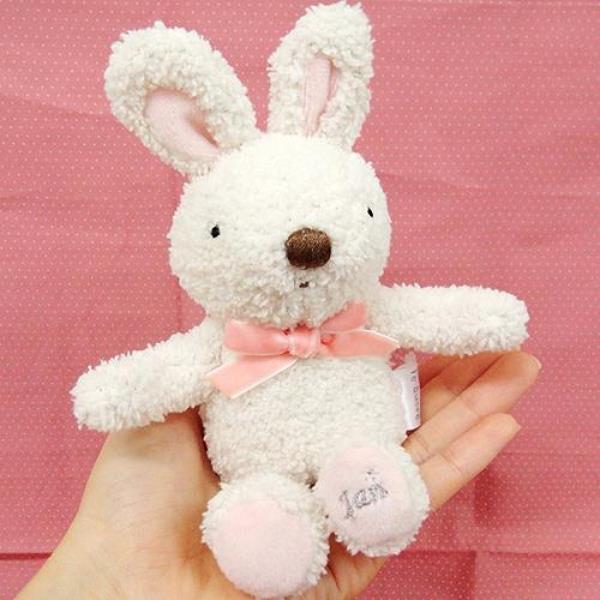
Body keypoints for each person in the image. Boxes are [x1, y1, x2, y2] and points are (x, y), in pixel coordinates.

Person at [18, 351, 539, 599]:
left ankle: (364, 486)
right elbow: (155, 375)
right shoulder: (217, 345)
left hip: (353, 445)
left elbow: (432, 313)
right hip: (255, 474)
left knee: (364, 470)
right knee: (261, 515)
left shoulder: (366, 317)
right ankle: (264, 529)